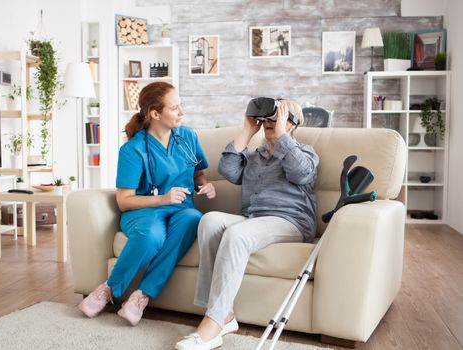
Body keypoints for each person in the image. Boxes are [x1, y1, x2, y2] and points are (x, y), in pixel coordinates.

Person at [175, 99, 319, 350]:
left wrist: (282, 135)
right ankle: (224, 315)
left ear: (292, 124)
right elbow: (228, 170)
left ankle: (212, 325)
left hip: (290, 221)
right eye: (268, 119)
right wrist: (248, 130)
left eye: (278, 118)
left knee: (237, 234)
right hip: (255, 218)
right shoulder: (256, 155)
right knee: (210, 221)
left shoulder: (305, 152)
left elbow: (301, 173)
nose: (270, 124)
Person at [78, 81, 216, 326]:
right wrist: (163, 199)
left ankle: (141, 296)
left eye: (180, 105)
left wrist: (206, 184)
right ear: (154, 113)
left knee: (193, 218)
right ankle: (109, 289)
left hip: (181, 210)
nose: (182, 112)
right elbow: (124, 201)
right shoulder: (133, 149)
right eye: (175, 108)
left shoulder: (187, 137)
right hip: (144, 211)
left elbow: (198, 173)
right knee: (152, 235)